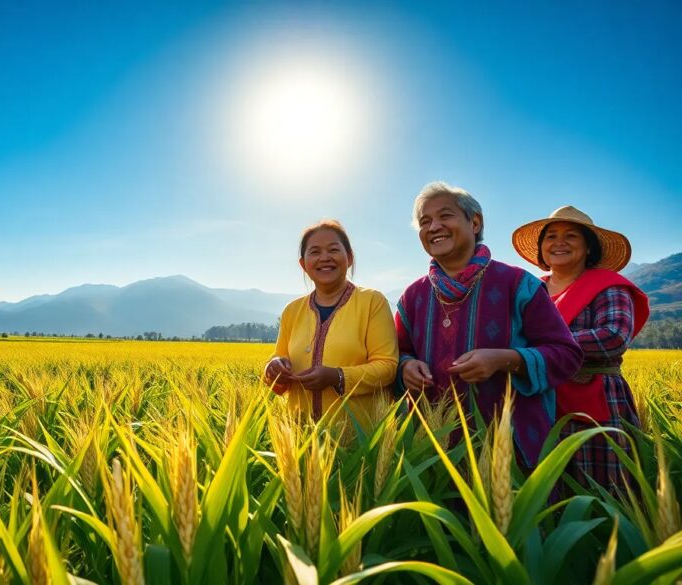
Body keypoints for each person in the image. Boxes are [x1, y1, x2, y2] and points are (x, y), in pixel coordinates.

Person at [394, 182, 583, 469]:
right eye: (425, 221)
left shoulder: (519, 285)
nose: (434, 227)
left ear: (475, 222)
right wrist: (405, 366)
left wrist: (506, 359)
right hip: (431, 452)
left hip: (509, 449)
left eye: (445, 216)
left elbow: (567, 354)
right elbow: (396, 353)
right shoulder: (412, 297)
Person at [512, 206, 649, 487]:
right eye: (551, 236)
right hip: (540, 397)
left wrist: (541, 349)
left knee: (605, 487)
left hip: (597, 397)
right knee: (547, 485)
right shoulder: (528, 290)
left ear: (588, 247)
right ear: (541, 248)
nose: (559, 242)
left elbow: (613, 336)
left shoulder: (609, 286)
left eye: (571, 236)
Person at [264, 220, 398, 426]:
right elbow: (279, 361)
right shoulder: (292, 311)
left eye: (333, 250)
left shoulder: (372, 302)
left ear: (350, 257)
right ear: (303, 264)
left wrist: (337, 376)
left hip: (359, 438)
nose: (324, 258)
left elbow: (387, 367)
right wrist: (273, 369)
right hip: (299, 436)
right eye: (315, 252)